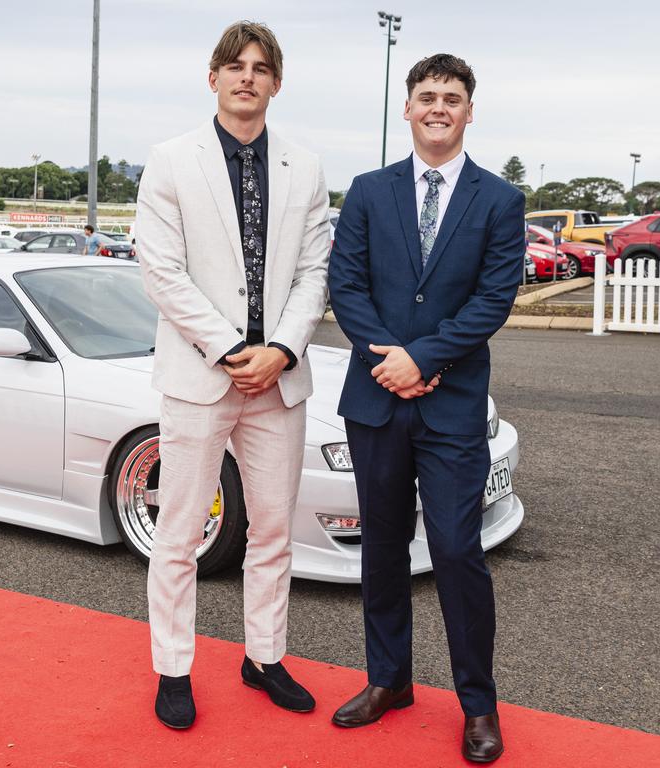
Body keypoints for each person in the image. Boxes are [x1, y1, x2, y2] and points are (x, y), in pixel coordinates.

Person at [327, 54, 524, 763]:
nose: (438, 106)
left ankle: (479, 704)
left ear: (470, 112)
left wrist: (425, 358)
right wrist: (391, 362)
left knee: (454, 550)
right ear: (407, 108)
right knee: (380, 550)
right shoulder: (368, 191)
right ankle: (389, 682)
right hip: (376, 400)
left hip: (452, 407)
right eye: (426, 96)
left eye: (452, 97)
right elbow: (345, 285)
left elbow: (493, 299)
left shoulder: (498, 200)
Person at [136, 21, 330, 730]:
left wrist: (279, 349)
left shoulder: (305, 168)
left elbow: (315, 274)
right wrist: (227, 348)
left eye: (260, 67)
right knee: (180, 533)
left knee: (273, 531)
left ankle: (265, 656)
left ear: (276, 83)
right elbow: (161, 271)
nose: (246, 76)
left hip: (279, 381)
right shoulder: (169, 160)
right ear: (212, 77)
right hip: (198, 377)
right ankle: (173, 667)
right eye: (234, 65)